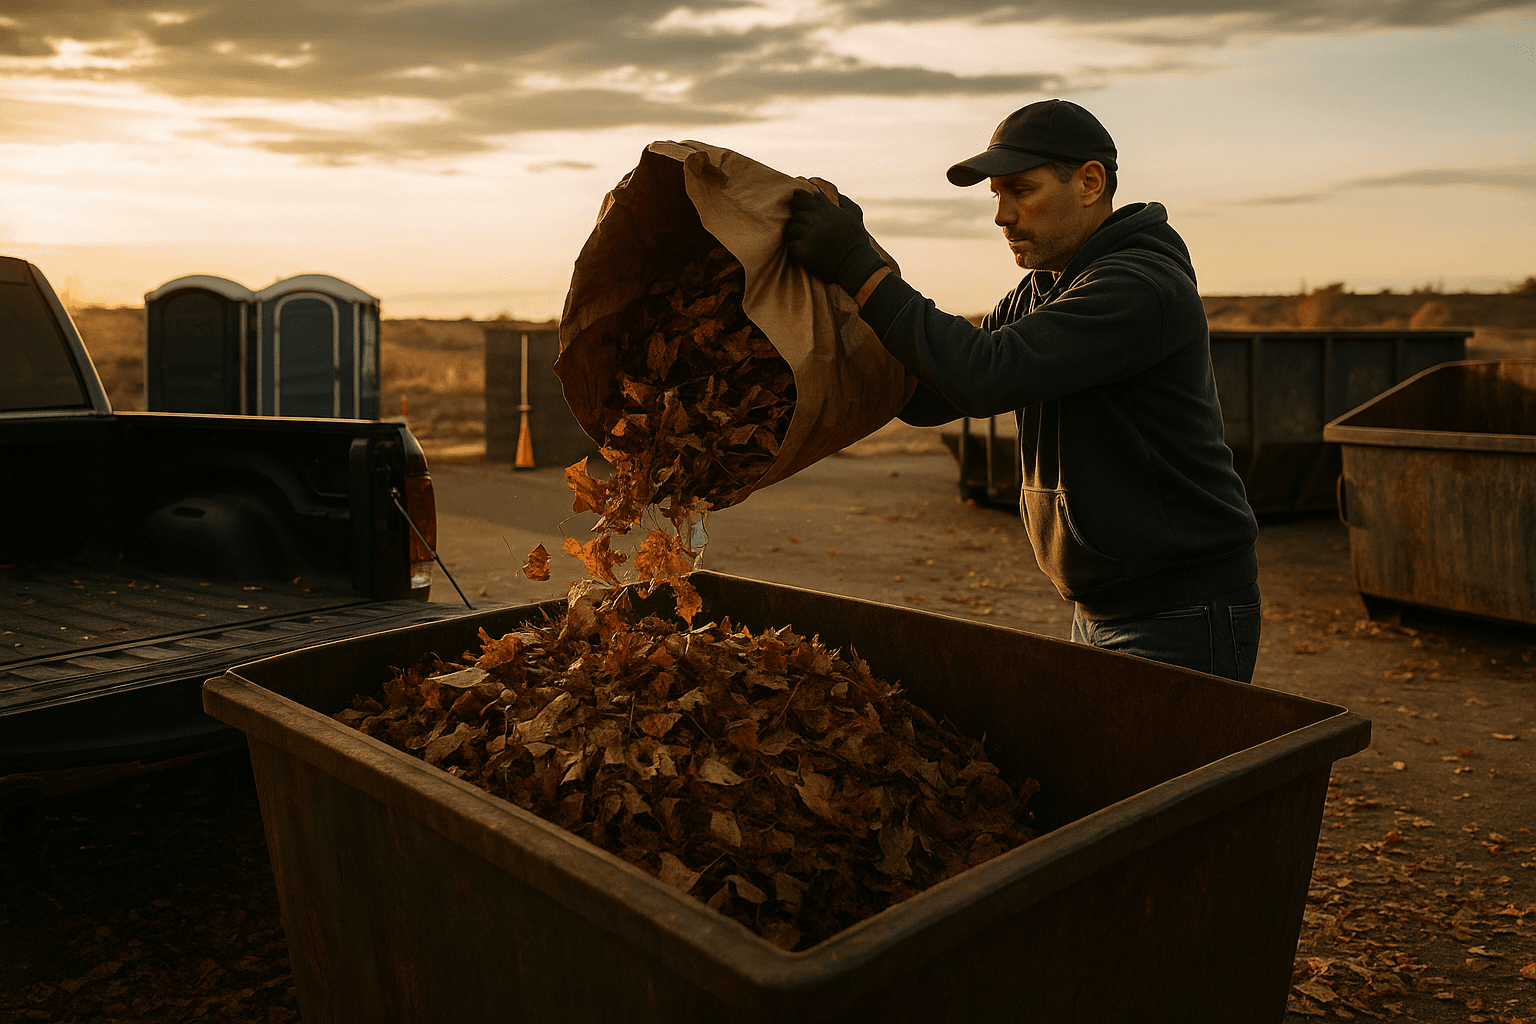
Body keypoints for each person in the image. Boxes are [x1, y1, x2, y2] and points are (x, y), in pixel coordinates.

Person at [784, 98, 1263, 683]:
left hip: (1181, 611)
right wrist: (827, 323)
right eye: (996, 195)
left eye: (1020, 190)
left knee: (1158, 776)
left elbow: (983, 374)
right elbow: (939, 394)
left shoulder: (1139, 286)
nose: (1002, 215)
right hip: (1103, 606)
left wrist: (861, 269)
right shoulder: (1044, 288)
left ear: (1090, 182)